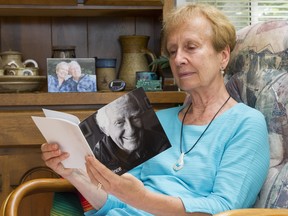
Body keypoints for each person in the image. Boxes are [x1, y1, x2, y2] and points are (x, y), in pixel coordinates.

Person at [41, 3, 270, 215]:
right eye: (172, 51)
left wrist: (142, 198)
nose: (178, 59)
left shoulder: (246, 124)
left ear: (223, 56)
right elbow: (119, 202)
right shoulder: (155, 120)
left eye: (191, 47)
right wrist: (72, 174)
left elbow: (224, 208)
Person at [90, 91, 171, 175]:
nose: (131, 130)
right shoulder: (97, 156)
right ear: (105, 130)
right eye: (119, 122)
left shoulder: (161, 143)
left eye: (134, 117)